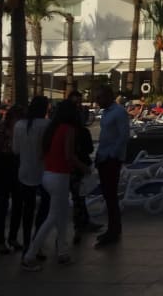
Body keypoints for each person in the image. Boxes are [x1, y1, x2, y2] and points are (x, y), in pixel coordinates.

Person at [22, 100, 89, 271]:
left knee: (61, 215)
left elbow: (42, 153)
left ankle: (63, 252)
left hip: (48, 175)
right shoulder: (69, 129)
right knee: (52, 217)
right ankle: (30, 255)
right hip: (60, 176)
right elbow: (69, 155)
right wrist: (84, 167)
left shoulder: (52, 128)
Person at [13, 95, 50, 256]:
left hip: (25, 171)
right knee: (44, 210)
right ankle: (37, 242)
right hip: (44, 172)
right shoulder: (47, 125)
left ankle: (27, 244)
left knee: (27, 210)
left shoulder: (19, 125)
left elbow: (15, 150)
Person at [94, 85, 130, 248]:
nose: (97, 100)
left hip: (111, 159)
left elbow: (123, 136)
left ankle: (114, 229)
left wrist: (112, 155)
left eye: (100, 97)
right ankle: (113, 228)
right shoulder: (106, 113)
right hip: (104, 157)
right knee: (108, 195)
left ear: (109, 96)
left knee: (111, 195)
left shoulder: (119, 112)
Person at [0, 105, 24, 254]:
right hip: (3, 166)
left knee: (18, 205)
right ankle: (0, 241)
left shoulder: (22, 130)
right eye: (18, 118)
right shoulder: (1, 130)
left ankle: (13, 237)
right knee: (2, 206)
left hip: (17, 166)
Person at [67, 91, 97, 244]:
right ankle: (79, 226)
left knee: (80, 196)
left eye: (80, 102)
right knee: (78, 197)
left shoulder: (75, 125)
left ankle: (83, 223)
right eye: (76, 103)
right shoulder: (73, 128)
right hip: (74, 166)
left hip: (77, 165)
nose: (79, 106)